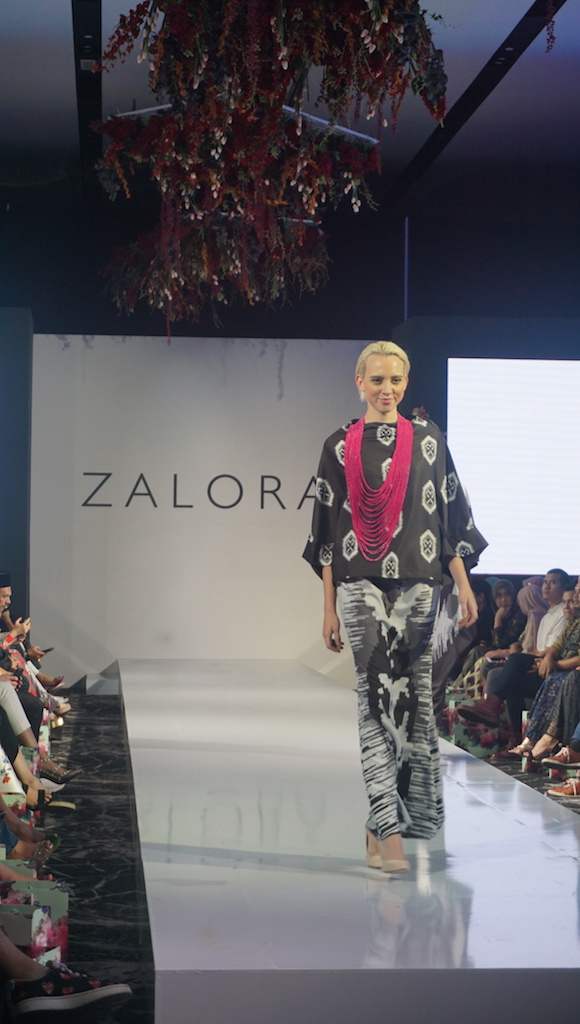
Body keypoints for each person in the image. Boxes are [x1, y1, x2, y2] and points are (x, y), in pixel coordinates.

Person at [303, 341, 487, 873]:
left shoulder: (429, 441)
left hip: (420, 585)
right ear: (359, 382)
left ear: (406, 383)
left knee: (415, 704)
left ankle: (381, 821)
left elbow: (448, 520)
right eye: (378, 379)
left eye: (396, 380)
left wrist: (463, 584)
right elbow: (326, 533)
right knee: (373, 700)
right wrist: (328, 607)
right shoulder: (338, 446)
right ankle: (389, 829)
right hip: (358, 583)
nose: (387, 390)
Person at [458, 568, 568, 733]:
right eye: (545, 582)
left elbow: (549, 650)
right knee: (505, 674)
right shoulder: (546, 616)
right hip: (538, 663)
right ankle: (511, 733)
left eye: (552, 583)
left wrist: (517, 658)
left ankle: (492, 709)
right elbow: (537, 650)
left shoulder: (562, 614)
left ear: (563, 588)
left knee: (510, 665)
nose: (546, 586)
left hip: (551, 669)